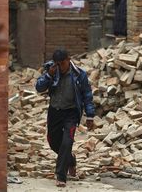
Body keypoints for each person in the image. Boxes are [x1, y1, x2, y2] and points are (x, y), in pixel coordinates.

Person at [35, 49, 95, 187]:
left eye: (63, 63)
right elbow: (39, 88)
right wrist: (49, 75)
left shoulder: (79, 75)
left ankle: (61, 176)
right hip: (55, 111)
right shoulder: (52, 71)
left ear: (69, 60)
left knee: (67, 142)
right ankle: (71, 160)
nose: (61, 67)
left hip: (71, 113)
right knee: (53, 142)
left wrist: (90, 115)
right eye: (58, 64)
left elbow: (87, 95)